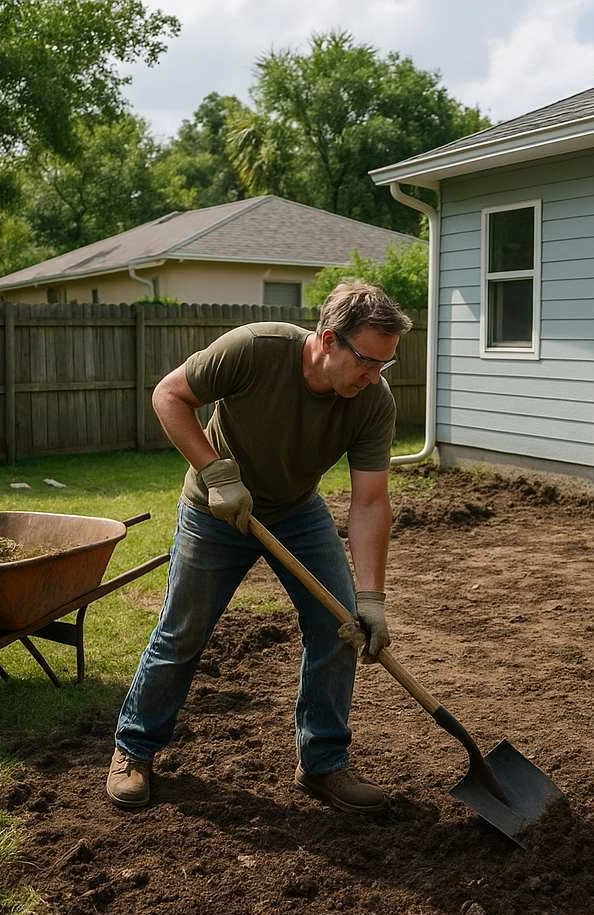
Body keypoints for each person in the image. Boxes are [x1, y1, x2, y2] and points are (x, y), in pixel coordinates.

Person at [106, 280, 411, 813]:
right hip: (215, 508)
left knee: (336, 627)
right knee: (183, 632)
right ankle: (134, 749)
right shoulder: (254, 349)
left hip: (295, 510)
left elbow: (369, 503)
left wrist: (371, 598)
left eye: (385, 365)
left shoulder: (371, 402)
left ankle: (323, 764)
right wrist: (216, 472)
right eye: (367, 361)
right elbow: (169, 395)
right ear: (328, 339)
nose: (374, 376)